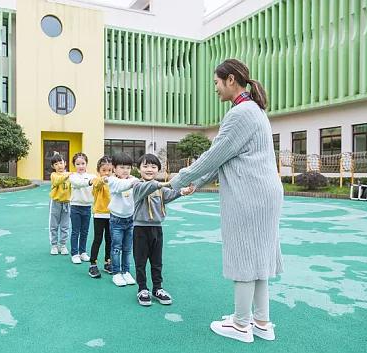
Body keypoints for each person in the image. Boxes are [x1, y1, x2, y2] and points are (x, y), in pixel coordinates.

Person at [169, 59, 283, 343]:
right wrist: (198, 181)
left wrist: (179, 179)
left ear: (230, 80)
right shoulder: (255, 110)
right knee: (259, 258)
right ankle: (261, 321)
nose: (216, 89)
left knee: (244, 255)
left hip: (249, 194)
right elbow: (227, 157)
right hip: (264, 193)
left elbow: (214, 155)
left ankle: (241, 325)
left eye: (217, 83)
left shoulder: (241, 113)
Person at [132, 154, 194, 306]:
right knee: (140, 261)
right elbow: (150, 187)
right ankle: (142, 288)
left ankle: (157, 288)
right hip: (140, 229)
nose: (149, 169)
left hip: (157, 229)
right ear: (138, 169)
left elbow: (170, 195)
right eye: (145, 166)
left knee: (157, 261)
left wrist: (182, 191)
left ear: (158, 169)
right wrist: (164, 184)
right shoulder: (138, 186)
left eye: (153, 167)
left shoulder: (160, 188)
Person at [106, 152, 139, 287]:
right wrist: (134, 180)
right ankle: (116, 273)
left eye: (128, 167)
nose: (125, 170)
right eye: (121, 167)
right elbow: (122, 186)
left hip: (130, 219)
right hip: (116, 220)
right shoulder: (112, 180)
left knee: (127, 248)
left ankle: (126, 271)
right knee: (116, 248)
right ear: (114, 168)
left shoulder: (132, 180)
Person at [88, 156, 113, 278]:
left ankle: (108, 262)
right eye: (104, 170)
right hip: (99, 214)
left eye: (109, 170)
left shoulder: (114, 181)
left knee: (110, 239)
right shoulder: (96, 181)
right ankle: (93, 264)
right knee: (98, 239)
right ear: (99, 171)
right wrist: (103, 179)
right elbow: (96, 185)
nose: (107, 173)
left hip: (112, 214)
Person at [68, 153, 96, 264]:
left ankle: (83, 252)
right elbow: (79, 184)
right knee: (76, 231)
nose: (81, 166)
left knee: (85, 231)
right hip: (75, 207)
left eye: (83, 163)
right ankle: (75, 254)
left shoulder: (92, 176)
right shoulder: (72, 176)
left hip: (87, 207)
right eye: (78, 164)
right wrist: (90, 182)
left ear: (86, 164)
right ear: (74, 165)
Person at [48, 153, 71, 256]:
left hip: (67, 203)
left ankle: (63, 245)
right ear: (53, 167)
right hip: (55, 203)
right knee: (54, 225)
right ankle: (54, 245)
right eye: (56, 164)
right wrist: (68, 175)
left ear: (65, 163)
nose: (59, 166)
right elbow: (57, 181)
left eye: (61, 163)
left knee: (65, 226)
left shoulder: (70, 175)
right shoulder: (54, 175)